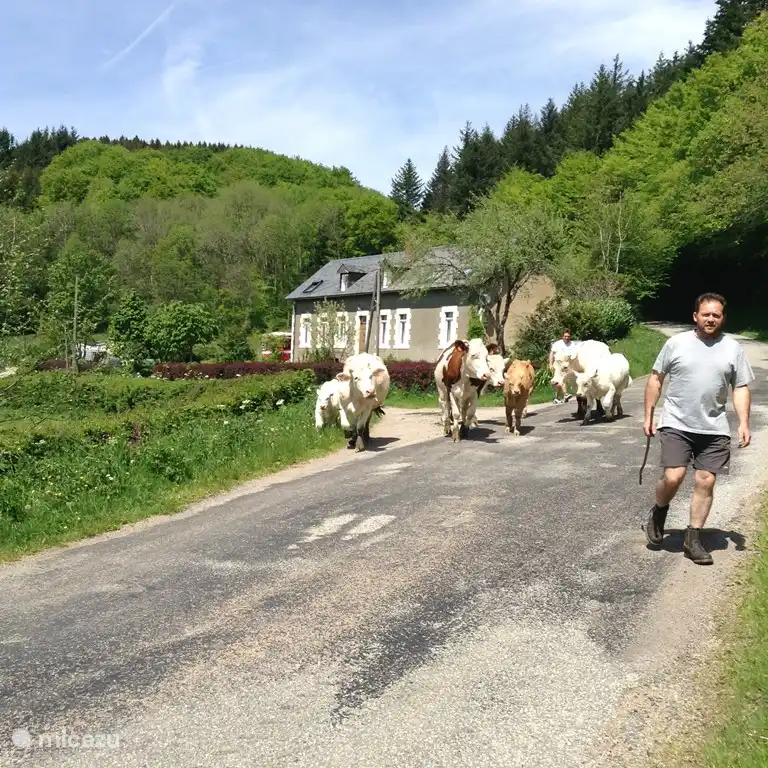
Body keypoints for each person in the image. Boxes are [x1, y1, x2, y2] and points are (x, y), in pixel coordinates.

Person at [643, 293, 754, 565]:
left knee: (706, 479)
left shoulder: (732, 348)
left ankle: (693, 538)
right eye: (706, 314)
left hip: (713, 426)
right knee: (674, 476)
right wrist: (649, 415)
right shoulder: (676, 343)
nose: (711, 319)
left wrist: (743, 422)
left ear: (723, 318)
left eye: (716, 315)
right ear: (695, 316)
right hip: (676, 423)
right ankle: (659, 511)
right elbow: (656, 379)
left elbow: (739, 387)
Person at [548, 329, 578, 404]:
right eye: (565, 336)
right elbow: (552, 354)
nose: (567, 338)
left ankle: (556, 397)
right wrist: (550, 364)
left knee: (558, 381)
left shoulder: (573, 344)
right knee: (562, 379)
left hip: (568, 363)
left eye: (568, 336)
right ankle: (565, 394)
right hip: (559, 363)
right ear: (562, 336)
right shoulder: (557, 344)